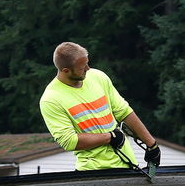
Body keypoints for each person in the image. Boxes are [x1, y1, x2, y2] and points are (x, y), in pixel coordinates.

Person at [39, 42, 160, 172]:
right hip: (94, 172)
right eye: (82, 67)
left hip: (127, 164)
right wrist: (109, 137)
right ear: (66, 71)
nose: (88, 69)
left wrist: (151, 145)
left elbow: (124, 112)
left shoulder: (98, 77)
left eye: (87, 63)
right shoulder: (51, 99)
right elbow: (69, 141)